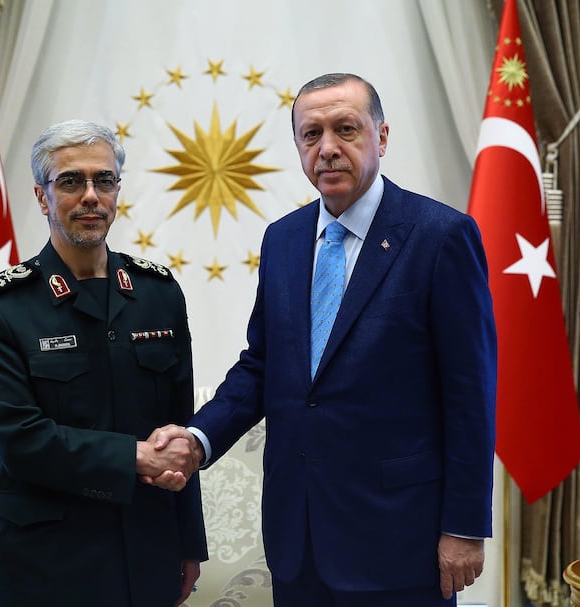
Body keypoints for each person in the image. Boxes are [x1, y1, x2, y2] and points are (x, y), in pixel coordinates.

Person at [147, 73, 497, 606]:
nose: (328, 148)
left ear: (381, 138)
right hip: (300, 543)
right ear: (298, 147)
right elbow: (263, 366)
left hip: (401, 541)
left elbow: (471, 394)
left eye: (346, 129)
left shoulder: (440, 235)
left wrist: (466, 526)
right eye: (311, 134)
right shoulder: (283, 239)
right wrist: (198, 439)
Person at [0, 119, 207, 607]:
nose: (91, 195)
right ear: (41, 196)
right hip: (49, 563)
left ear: (118, 190)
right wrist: (135, 456)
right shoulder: (0, 305)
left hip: (147, 550)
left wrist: (189, 544)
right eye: (71, 181)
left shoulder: (158, 294)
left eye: (104, 180)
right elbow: (20, 439)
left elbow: (178, 430)